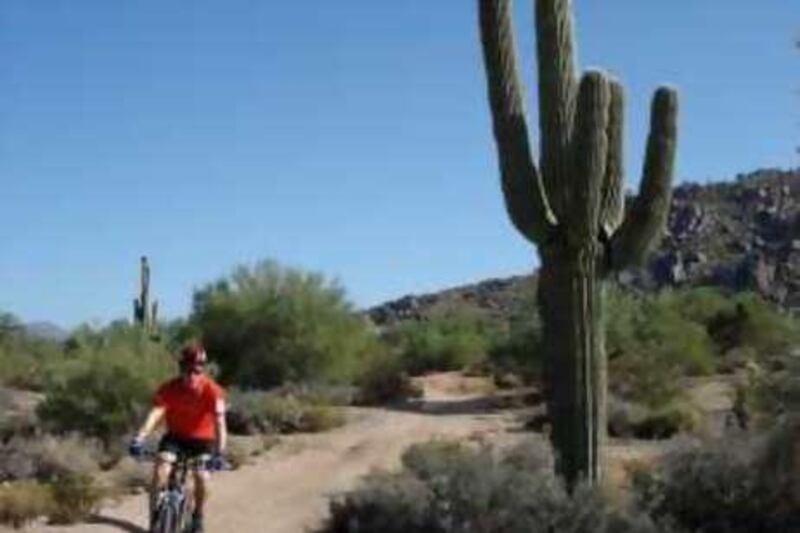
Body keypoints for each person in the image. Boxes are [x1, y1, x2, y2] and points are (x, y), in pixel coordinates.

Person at [129, 343, 227, 533]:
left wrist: (219, 453)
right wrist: (139, 438)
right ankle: (154, 518)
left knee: (202, 477)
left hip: (202, 441)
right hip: (175, 438)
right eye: (187, 370)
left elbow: (220, 424)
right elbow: (156, 413)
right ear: (181, 368)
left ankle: (197, 516)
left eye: (197, 370)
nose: (192, 375)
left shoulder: (213, 391)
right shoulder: (169, 388)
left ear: (202, 370)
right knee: (160, 472)